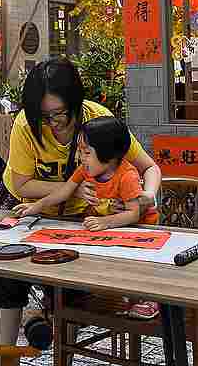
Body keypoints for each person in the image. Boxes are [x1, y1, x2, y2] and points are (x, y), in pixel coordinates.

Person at [0, 58, 162, 345]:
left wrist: (146, 197)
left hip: (79, 220)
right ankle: (3, 357)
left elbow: (150, 167)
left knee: (70, 288)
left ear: (75, 103)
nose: (51, 123)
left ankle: (63, 349)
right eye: (42, 116)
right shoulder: (27, 124)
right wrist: (71, 189)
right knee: (8, 277)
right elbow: (23, 185)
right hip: (30, 210)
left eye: (58, 114)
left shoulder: (98, 123)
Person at [13, 115, 161, 319]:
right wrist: (35, 206)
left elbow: (133, 213)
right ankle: (121, 296)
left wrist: (104, 222)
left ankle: (148, 299)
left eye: (87, 152)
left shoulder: (127, 175)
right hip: (113, 227)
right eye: (80, 151)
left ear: (109, 156)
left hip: (140, 227)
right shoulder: (86, 170)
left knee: (137, 264)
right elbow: (64, 192)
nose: (81, 157)